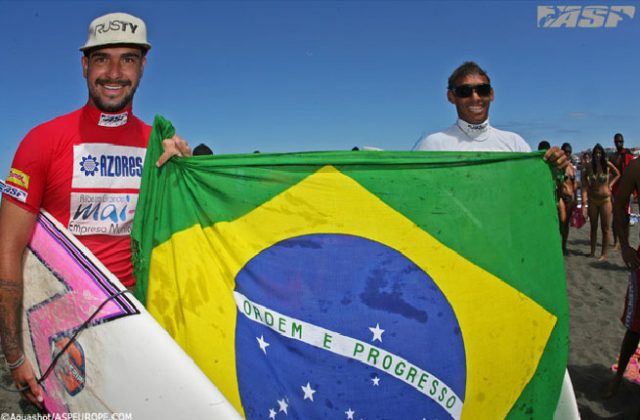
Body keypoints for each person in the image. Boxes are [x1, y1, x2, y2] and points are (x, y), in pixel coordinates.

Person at [0, 12, 191, 408]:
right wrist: (14, 355)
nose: (114, 72)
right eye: (102, 58)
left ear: (142, 66)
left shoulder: (159, 150)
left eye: (128, 59)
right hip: (50, 340)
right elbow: (7, 251)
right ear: (85, 65)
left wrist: (187, 172)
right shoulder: (41, 141)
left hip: (132, 334)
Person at [608, 157, 640, 397]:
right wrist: (625, 246)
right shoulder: (637, 166)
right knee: (636, 326)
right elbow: (619, 204)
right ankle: (617, 380)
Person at [581, 143, 620, 260]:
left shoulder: (606, 165)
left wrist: (611, 185)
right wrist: (587, 185)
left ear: (602, 154)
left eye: (600, 153)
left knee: (605, 228)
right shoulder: (589, 166)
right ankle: (592, 252)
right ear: (593, 154)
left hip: (605, 200)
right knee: (593, 227)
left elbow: (618, 174)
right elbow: (583, 177)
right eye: (596, 153)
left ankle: (604, 254)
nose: (598, 155)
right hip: (593, 200)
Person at [611, 133, 635, 248]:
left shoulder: (628, 154)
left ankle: (625, 242)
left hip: (627, 189)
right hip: (615, 190)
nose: (619, 143)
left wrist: (634, 192)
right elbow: (610, 174)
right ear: (614, 142)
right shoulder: (613, 156)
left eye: (621, 141)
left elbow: (633, 173)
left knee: (626, 218)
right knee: (616, 217)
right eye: (617, 141)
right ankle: (616, 242)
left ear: (623, 141)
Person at [558, 143, 577, 254]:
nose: (568, 154)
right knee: (562, 221)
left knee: (566, 224)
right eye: (566, 151)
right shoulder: (558, 167)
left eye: (569, 152)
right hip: (561, 196)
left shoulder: (571, 168)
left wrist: (575, 198)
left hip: (570, 198)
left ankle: (564, 246)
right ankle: (558, 245)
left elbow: (574, 183)